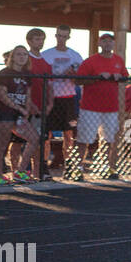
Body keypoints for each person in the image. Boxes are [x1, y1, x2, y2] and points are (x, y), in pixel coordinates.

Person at [75, 33, 128, 180]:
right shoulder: (90, 61)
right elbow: (78, 80)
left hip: (111, 108)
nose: (107, 44)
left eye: (110, 41)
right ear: (99, 43)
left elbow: (126, 76)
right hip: (90, 107)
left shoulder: (118, 60)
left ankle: (108, 168)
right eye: (104, 41)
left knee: (110, 140)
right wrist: (97, 77)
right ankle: (77, 169)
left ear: (113, 44)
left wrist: (119, 77)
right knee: (84, 139)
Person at [0, 46, 40, 185]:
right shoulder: (4, 73)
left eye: (25, 54)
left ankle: (20, 172)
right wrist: (18, 107)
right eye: (19, 54)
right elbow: (2, 95)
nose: (22, 57)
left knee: (34, 138)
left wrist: (27, 109)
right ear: (13, 56)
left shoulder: (27, 75)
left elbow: (27, 97)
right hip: (4, 114)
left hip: (19, 115)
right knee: (1, 146)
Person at [41, 25, 83, 178]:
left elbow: (80, 79)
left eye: (65, 36)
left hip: (68, 99)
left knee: (68, 134)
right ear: (56, 36)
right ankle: (43, 165)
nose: (62, 39)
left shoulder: (75, 55)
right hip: (50, 99)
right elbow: (42, 76)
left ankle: (69, 165)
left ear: (68, 37)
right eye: (59, 35)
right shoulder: (46, 55)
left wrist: (73, 75)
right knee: (46, 134)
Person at [22, 28, 54, 180]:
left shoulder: (46, 63)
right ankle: (21, 170)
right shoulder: (24, 60)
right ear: (29, 41)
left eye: (41, 39)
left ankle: (38, 172)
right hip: (24, 108)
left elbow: (50, 86)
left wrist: (49, 104)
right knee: (23, 142)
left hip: (41, 108)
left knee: (40, 141)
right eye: (36, 39)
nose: (39, 42)